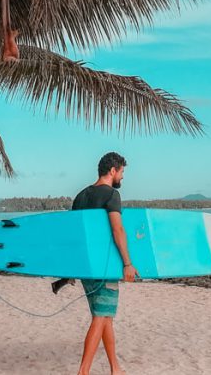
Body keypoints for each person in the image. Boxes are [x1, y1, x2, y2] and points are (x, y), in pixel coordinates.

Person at [69, 152, 136, 375]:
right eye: (122, 172)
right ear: (113, 170)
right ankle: (83, 371)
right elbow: (118, 230)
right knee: (101, 316)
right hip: (104, 267)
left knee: (105, 315)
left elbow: (76, 235)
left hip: (86, 268)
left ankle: (115, 368)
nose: (122, 178)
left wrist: (71, 268)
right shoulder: (111, 196)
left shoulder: (80, 197)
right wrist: (127, 263)